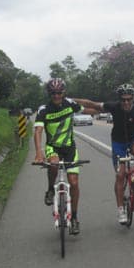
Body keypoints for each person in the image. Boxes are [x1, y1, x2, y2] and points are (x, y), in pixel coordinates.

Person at [73, 84, 134, 224]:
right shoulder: (113, 106)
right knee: (120, 175)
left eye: (129, 99)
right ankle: (121, 210)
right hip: (118, 143)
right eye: (123, 100)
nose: (126, 102)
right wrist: (70, 100)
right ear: (119, 99)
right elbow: (91, 104)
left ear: (133, 98)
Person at [33, 77, 89, 235]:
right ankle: (50, 189)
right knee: (54, 164)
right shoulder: (44, 109)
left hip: (70, 148)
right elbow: (38, 131)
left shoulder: (70, 104)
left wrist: (106, 109)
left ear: (63, 92)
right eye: (53, 93)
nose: (56, 96)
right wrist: (39, 153)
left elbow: (86, 109)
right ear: (49, 94)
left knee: (74, 183)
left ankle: (75, 218)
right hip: (53, 147)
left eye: (59, 93)